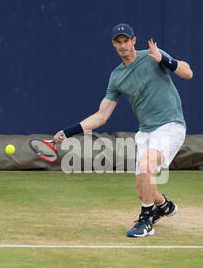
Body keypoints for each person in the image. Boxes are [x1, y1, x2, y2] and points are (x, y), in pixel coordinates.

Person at [54, 23, 193, 238]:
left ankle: (146, 221)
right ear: (113, 44)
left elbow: (188, 73)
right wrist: (67, 132)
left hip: (170, 126)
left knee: (147, 165)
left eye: (126, 40)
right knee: (143, 190)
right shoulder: (116, 77)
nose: (122, 45)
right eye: (118, 42)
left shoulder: (153, 55)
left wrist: (164, 60)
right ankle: (164, 206)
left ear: (134, 41)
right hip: (146, 132)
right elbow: (101, 116)